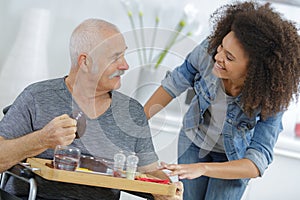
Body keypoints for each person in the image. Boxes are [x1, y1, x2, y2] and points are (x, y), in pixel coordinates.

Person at [0, 18, 183, 200]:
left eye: (124, 55)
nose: (125, 65)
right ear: (85, 62)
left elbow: (149, 173)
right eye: (115, 57)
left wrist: (167, 190)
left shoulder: (132, 112)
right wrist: (41, 139)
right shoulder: (37, 97)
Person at [144, 1, 300, 200]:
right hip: (195, 141)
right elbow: (176, 81)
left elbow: (256, 163)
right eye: (221, 47)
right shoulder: (209, 51)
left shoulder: (271, 96)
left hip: (234, 159)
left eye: (229, 57)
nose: (217, 57)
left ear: (254, 70)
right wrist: (140, 119)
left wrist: (203, 168)